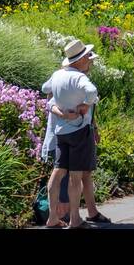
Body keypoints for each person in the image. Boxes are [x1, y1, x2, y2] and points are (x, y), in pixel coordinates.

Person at [41, 39, 111, 228]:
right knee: (76, 176)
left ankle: (53, 217)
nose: (90, 60)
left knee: (57, 172)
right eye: (87, 57)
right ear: (79, 60)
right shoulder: (80, 78)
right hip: (79, 131)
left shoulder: (57, 75)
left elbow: (45, 89)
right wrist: (85, 106)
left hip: (61, 132)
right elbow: (92, 92)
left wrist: (60, 109)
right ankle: (75, 219)